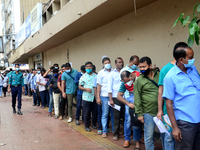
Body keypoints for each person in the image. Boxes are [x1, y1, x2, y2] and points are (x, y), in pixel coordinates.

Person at [163, 46, 200, 150]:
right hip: (186, 123)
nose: (193, 58)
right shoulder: (170, 77)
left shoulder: (193, 69)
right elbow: (169, 104)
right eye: (190, 57)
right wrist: (175, 128)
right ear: (181, 59)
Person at [157, 42, 188, 150]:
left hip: (184, 112)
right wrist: (160, 110)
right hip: (169, 110)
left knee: (181, 138)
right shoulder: (166, 69)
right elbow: (161, 91)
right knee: (170, 137)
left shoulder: (188, 68)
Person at [134, 57, 160, 150]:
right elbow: (137, 98)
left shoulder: (160, 75)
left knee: (167, 135)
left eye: (144, 67)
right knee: (149, 136)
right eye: (140, 67)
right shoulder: (139, 80)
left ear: (150, 65)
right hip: (148, 112)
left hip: (162, 111)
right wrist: (140, 114)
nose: (142, 69)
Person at [117, 55, 141, 148]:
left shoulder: (140, 77)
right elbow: (119, 95)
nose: (126, 84)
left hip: (141, 103)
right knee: (129, 120)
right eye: (124, 82)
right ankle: (127, 138)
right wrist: (128, 104)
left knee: (140, 121)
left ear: (132, 76)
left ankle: (139, 139)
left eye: (127, 81)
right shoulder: (124, 79)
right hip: (130, 102)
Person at [96, 57, 114, 138]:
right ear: (103, 64)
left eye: (109, 62)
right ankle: (104, 131)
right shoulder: (100, 73)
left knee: (114, 114)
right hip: (104, 96)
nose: (108, 64)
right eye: (106, 63)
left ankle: (114, 130)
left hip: (114, 96)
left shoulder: (114, 71)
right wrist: (98, 97)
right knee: (105, 114)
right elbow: (98, 85)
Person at [108, 57, 125, 141]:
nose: (121, 64)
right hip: (116, 98)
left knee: (126, 116)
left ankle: (126, 134)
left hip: (125, 98)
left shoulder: (126, 72)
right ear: (115, 64)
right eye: (119, 62)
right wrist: (111, 99)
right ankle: (116, 134)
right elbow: (109, 88)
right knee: (116, 117)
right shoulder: (112, 74)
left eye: (122, 62)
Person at [79, 62, 97, 131]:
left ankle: (93, 124)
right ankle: (87, 125)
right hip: (86, 97)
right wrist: (85, 89)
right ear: (85, 68)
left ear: (92, 67)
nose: (89, 68)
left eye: (90, 66)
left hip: (94, 97)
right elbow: (80, 86)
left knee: (95, 112)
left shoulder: (96, 75)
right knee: (86, 112)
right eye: (87, 67)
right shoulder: (83, 76)